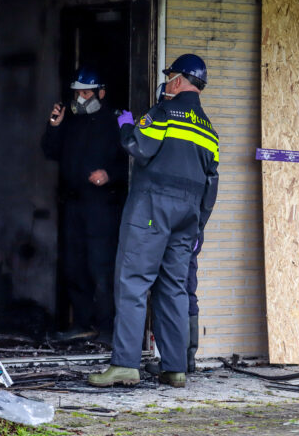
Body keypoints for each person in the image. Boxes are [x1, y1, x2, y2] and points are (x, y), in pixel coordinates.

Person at [88, 54, 219, 388]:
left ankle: (125, 365)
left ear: (178, 80)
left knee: (133, 282)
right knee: (174, 288)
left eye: (170, 75)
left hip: (152, 209)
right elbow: (211, 185)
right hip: (188, 217)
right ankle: (175, 369)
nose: (167, 81)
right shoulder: (210, 132)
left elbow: (139, 146)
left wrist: (126, 124)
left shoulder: (163, 113)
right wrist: (198, 228)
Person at [41, 66, 127, 345]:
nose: (80, 99)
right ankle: (82, 324)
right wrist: (54, 124)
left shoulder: (118, 121)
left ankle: (106, 329)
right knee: (74, 265)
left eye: (86, 93)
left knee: (100, 267)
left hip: (102, 208)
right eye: (77, 93)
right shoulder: (71, 119)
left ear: (101, 93)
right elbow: (49, 152)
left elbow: (136, 160)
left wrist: (109, 174)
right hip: (74, 206)